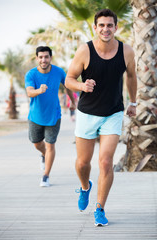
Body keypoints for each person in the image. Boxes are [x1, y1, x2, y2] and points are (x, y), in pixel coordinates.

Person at [65, 9, 137, 226]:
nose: (106, 29)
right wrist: (81, 85)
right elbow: (69, 79)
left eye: (110, 25)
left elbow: (132, 77)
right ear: (95, 28)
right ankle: (85, 187)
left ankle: (100, 208)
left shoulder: (126, 51)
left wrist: (133, 103)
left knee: (105, 162)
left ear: (116, 27)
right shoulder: (84, 51)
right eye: (102, 25)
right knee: (82, 163)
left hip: (113, 113)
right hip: (87, 113)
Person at [25, 46, 75, 187]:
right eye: (40, 57)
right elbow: (29, 92)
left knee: (50, 145)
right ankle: (44, 155)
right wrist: (38, 90)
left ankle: (45, 176)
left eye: (46, 57)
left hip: (54, 115)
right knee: (36, 143)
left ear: (50, 58)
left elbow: (68, 86)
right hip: (35, 116)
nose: (43, 60)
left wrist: (73, 101)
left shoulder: (59, 72)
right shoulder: (31, 74)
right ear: (37, 58)